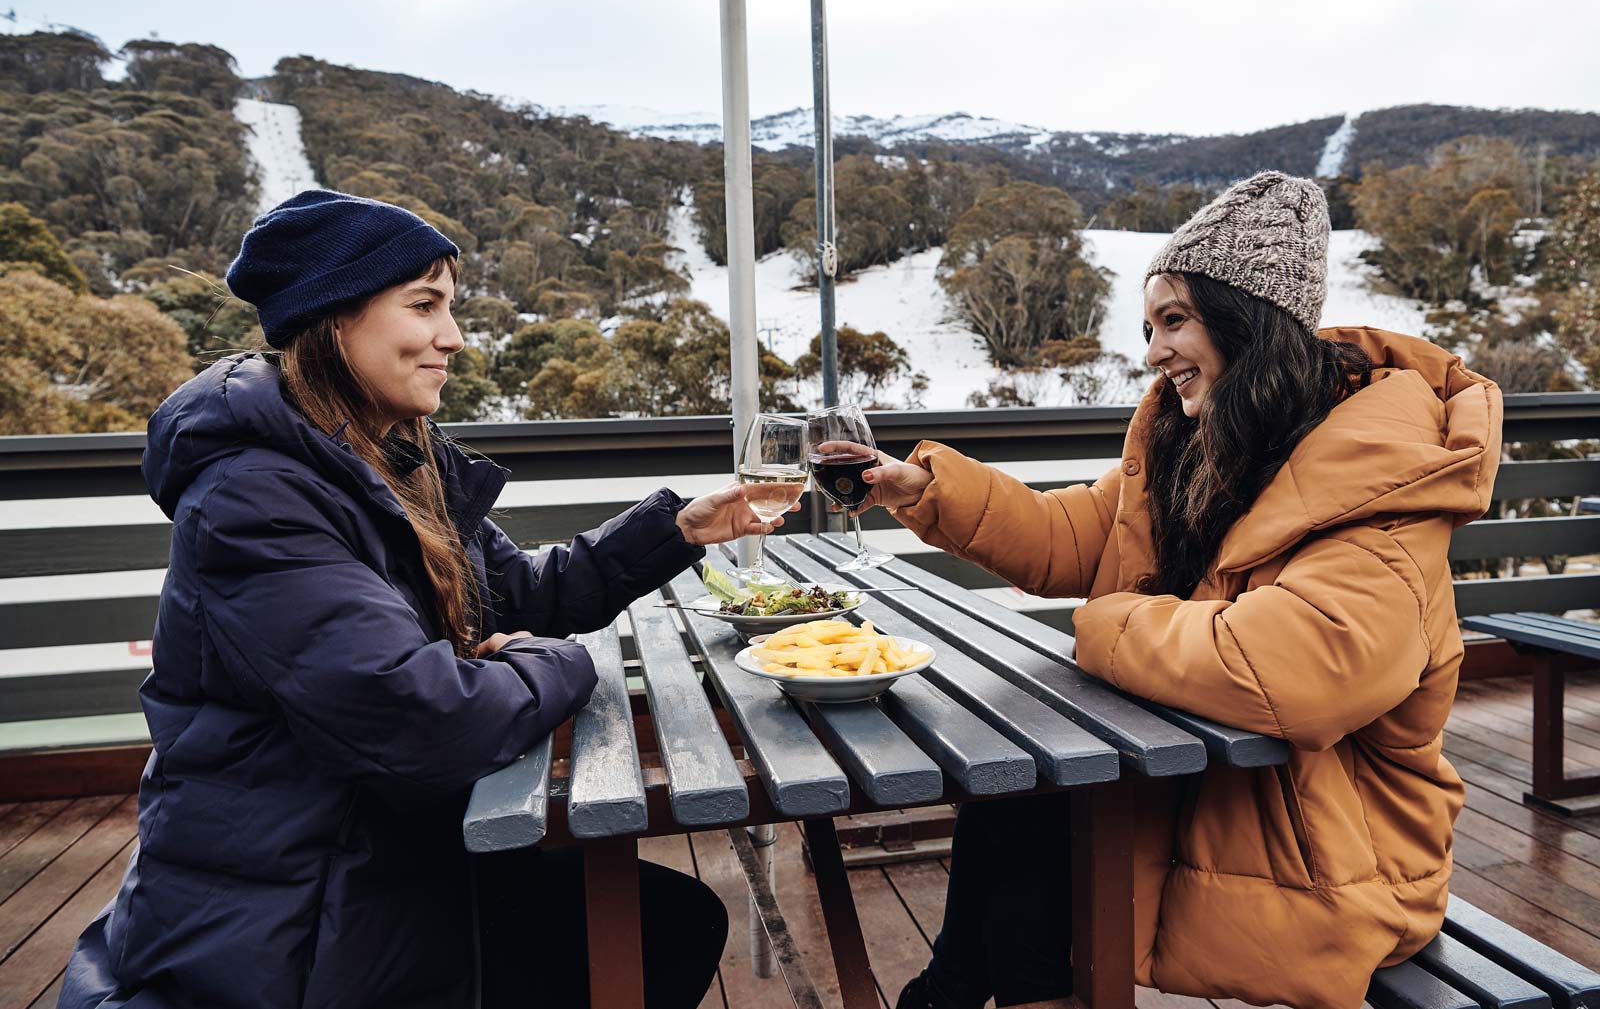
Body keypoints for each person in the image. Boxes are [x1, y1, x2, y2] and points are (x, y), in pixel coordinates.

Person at [59, 190, 773, 1009]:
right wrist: (558, 663)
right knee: (656, 929)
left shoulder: (390, 457)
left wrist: (677, 529)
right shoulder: (254, 496)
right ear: (335, 320)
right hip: (298, 905)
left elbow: (519, 591)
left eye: (451, 308)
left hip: (391, 844)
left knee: (670, 921)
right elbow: (421, 717)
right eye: (424, 305)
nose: (453, 336)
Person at [848, 172, 1503, 1009]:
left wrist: (1105, 622)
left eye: (1174, 321)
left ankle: (962, 989)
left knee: (1035, 812)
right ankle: (957, 986)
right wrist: (926, 489)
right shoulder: (1206, 443)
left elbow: (1289, 671)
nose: (1152, 352)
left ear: (1247, 321)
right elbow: (1080, 533)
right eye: (1150, 325)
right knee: (1018, 786)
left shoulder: (1385, 481)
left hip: (1335, 859)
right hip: (1223, 799)